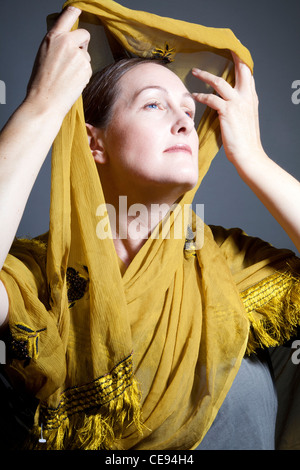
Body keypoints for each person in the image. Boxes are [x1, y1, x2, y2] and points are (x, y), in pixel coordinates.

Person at [0, 4, 299, 450]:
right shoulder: (38, 275)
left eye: (187, 110)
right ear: (92, 141)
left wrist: (254, 159)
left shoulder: (228, 263)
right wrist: (42, 108)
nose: (184, 121)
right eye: (154, 104)